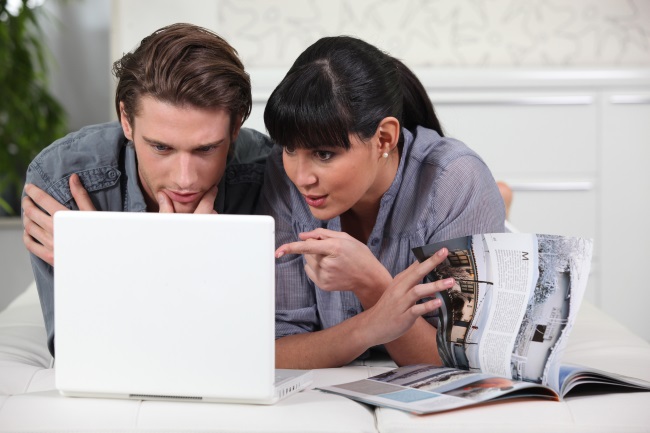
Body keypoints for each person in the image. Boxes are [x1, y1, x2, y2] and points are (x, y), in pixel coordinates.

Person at [21, 23, 274, 356]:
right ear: (126, 120)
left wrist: (103, 265)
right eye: (161, 148)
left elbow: (251, 345)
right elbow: (82, 351)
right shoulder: (61, 180)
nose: (185, 179)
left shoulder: (267, 171)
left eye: (206, 149)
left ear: (237, 124)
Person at [259, 36, 506, 369]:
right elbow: (276, 350)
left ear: (384, 138)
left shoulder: (456, 179)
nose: (301, 177)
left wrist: (371, 283)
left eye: (324, 154)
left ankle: (500, 201)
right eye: (290, 149)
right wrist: (369, 327)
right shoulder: (281, 173)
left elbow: (457, 360)